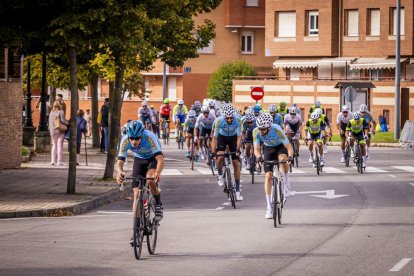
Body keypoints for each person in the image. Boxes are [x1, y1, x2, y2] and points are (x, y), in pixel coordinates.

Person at [116, 120, 165, 244]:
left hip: (153, 158)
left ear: (142, 135)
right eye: (131, 138)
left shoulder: (150, 137)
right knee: (137, 194)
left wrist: (157, 173)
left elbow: (160, 159)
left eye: (137, 138)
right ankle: (136, 230)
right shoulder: (125, 140)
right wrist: (119, 172)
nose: (134, 141)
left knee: (150, 178)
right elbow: (120, 162)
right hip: (139, 160)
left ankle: (158, 204)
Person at [253, 113, 293, 219]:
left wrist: (290, 157)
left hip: (280, 147)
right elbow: (256, 148)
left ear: (269, 127)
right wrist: (258, 157)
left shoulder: (277, 129)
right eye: (259, 129)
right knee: (268, 176)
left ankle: (286, 182)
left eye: (263, 129)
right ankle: (269, 208)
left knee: (283, 160)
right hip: (268, 149)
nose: (261, 132)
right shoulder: (256, 132)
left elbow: (288, 146)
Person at [211, 103, 243, 201]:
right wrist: (213, 151)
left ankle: (237, 191)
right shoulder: (218, 121)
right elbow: (214, 138)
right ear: (223, 116)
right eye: (227, 118)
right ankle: (220, 174)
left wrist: (238, 149)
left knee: (236, 163)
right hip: (222, 137)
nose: (229, 120)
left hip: (233, 138)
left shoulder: (238, 120)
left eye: (231, 118)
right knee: (220, 157)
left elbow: (239, 137)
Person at [48, 101, 69, 166]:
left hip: (53, 131)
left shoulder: (51, 112)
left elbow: (50, 122)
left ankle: (53, 161)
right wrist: (68, 124)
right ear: (60, 105)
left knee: (54, 145)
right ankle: (59, 161)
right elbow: (62, 120)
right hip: (60, 130)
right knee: (60, 145)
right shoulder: (61, 111)